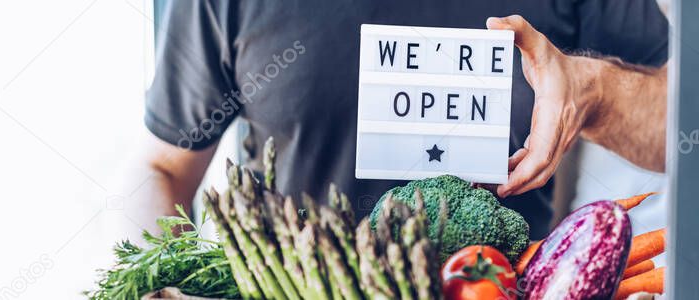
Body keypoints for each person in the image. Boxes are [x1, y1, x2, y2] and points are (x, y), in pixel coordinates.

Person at [127, 1, 668, 239]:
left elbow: (680, 131)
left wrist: (594, 91)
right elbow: (161, 168)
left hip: (499, 282)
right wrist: (164, 280)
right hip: (299, 280)